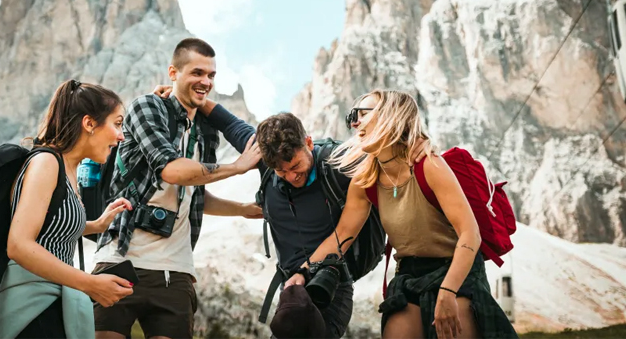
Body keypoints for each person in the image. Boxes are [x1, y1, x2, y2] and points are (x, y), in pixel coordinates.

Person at [152, 84, 428, 339]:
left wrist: (418, 146)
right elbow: (228, 122)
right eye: (280, 172)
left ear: (308, 143)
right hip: (291, 289)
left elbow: (386, 154)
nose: (290, 176)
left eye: (295, 166)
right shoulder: (266, 161)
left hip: (331, 284)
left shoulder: (338, 164)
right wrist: (184, 95)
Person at [308, 89, 518, 339]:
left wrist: (449, 291)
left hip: (456, 270)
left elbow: (470, 233)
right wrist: (302, 271)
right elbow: (342, 234)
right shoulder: (365, 181)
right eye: (353, 116)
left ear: (391, 115)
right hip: (408, 274)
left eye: (363, 114)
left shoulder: (429, 165)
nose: (355, 122)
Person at [92, 38, 263, 339]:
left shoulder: (207, 131)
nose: (206, 81)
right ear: (173, 72)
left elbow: (194, 190)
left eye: (211, 75)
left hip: (177, 271)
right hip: (120, 260)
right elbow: (171, 170)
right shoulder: (147, 107)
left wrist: (242, 210)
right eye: (197, 73)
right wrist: (237, 167)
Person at [0, 79, 136, 339]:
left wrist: (96, 224)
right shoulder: (47, 162)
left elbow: (49, 227)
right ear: (89, 123)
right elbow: (19, 245)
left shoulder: (69, 168)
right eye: (117, 123)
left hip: (51, 302)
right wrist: (91, 284)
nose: (121, 135)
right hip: (29, 308)